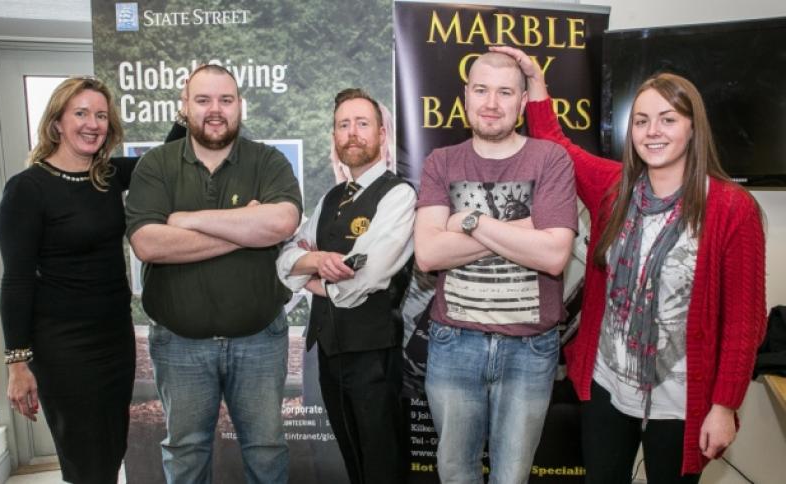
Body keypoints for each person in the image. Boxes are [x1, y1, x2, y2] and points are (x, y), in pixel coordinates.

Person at [492, 45, 767, 483]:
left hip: (681, 398)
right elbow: (556, 145)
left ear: (693, 129)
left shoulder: (733, 208)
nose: (652, 131)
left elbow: (743, 321)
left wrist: (724, 405)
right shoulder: (613, 186)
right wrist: (535, 81)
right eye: (641, 121)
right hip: (608, 385)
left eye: (668, 119)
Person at [125, 64, 302, 484]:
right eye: (203, 100)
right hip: (179, 344)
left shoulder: (267, 160)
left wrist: (185, 219)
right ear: (184, 106)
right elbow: (149, 244)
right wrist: (246, 228)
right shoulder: (155, 165)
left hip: (259, 340)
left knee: (267, 450)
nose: (215, 110)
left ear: (240, 105)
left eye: (226, 100)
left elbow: (282, 222)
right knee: (185, 454)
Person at [413, 52, 578, 484]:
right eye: (481, 90)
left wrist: (471, 223)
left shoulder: (550, 159)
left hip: (529, 348)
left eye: (505, 92)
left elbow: (553, 256)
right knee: (455, 474)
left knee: (512, 477)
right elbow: (428, 254)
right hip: (454, 345)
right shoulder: (441, 162)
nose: (492, 102)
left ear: (523, 102)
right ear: (465, 97)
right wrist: (526, 229)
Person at [0, 76, 135, 483]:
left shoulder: (107, 176)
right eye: (80, 113)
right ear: (57, 122)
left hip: (115, 338)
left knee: (111, 450)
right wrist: (17, 364)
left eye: (101, 115)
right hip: (63, 346)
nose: (92, 123)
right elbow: (17, 280)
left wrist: (186, 112)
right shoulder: (27, 189)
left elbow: (167, 161)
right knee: (84, 459)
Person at [277, 88, 415, 484]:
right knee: (353, 463)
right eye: (343, 125)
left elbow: (367, 276)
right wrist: (318, 263)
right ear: (335, 136)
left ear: (381, 134)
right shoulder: (331, 197)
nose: (352, 133)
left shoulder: (399, 195)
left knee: (382, 466)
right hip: (330, 352)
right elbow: (286, 260)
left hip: (373, 353)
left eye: (362, 124)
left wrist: (313, 282)